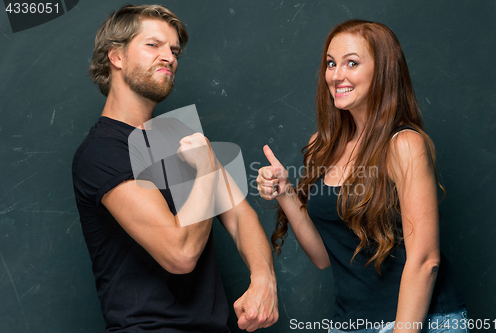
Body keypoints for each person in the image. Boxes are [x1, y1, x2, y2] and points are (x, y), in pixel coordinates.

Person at [72, 4, 278, 332]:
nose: (169, 57)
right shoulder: (102, 151)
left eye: (173, 49)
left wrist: (264, 279)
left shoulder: (179, 137)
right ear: (117, 57)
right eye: (153, 45)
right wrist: (207, 169)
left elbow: (241, 216)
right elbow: (179, 254)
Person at [257, 20, 466, 333]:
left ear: (382, 71)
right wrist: (285, 191)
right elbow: (324, 257)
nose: (336, 75)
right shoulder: (322, 146)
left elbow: (426, 261)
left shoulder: (405, 145)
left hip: (416, 323)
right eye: (331, 63)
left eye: (351, 63)